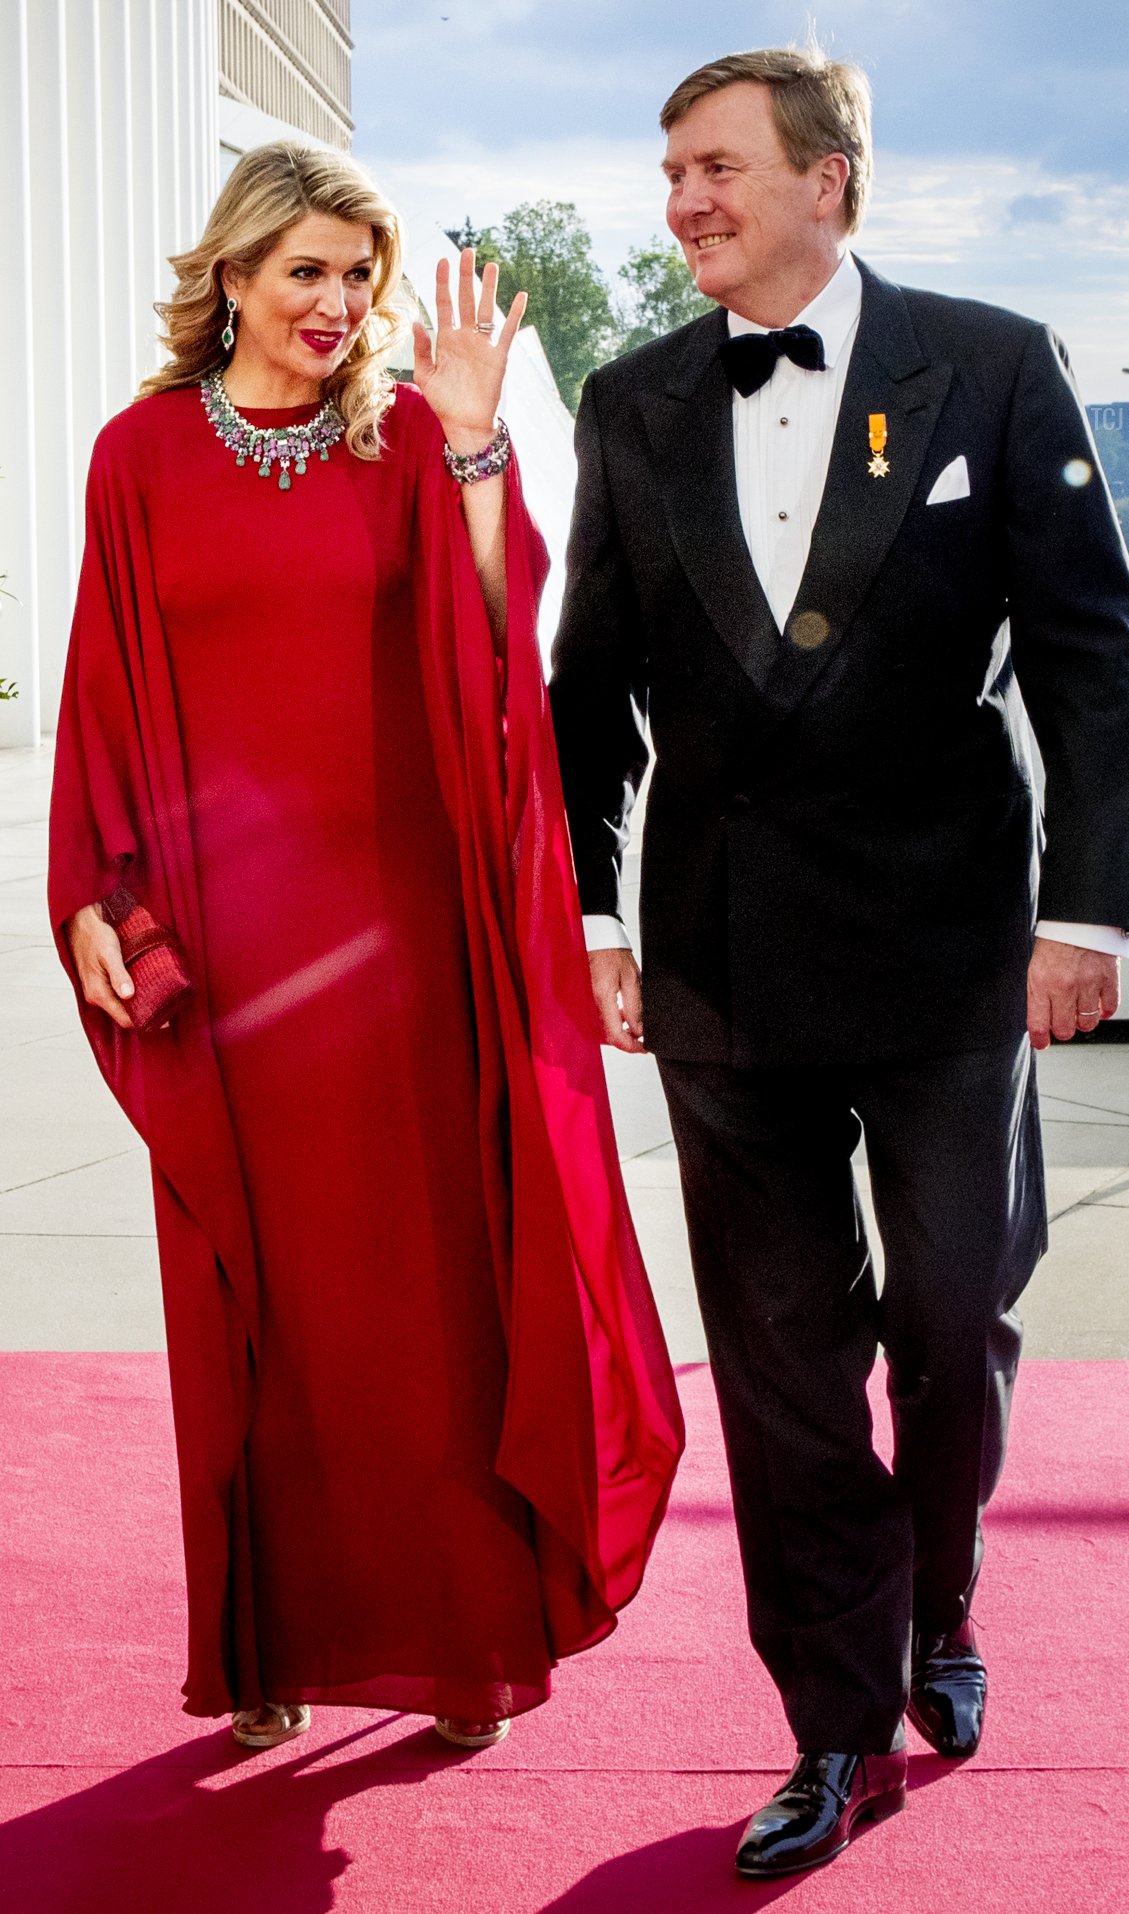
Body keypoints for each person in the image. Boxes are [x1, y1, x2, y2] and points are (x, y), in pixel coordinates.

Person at [550, 47, 1129, 1878]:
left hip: (958, 953)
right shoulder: (633, 394)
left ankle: (943, 1594)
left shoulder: (991, 359)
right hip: (723, 958)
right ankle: (828, 1714)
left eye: (715, 167)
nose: (683, 204)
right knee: (787, 1363)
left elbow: (1090, 652)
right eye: (670, 175)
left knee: (952, 1315)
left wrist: (1084, 910)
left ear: (832, 181)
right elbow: (591, 690)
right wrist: (589, 915)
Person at [49, 145, 682, 1754]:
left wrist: (478, 444)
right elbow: (104, 693)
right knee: (253, 1310)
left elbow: (496, 644)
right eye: (305, 271)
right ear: (237, 277)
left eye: (357, 273)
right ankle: (266, 1637)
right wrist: (86, 897)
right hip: (230, 955)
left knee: (427, 1311)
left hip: (407, 947)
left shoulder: (410, 437)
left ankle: (458, 1636)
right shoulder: (136, 454)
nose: (336, 304)